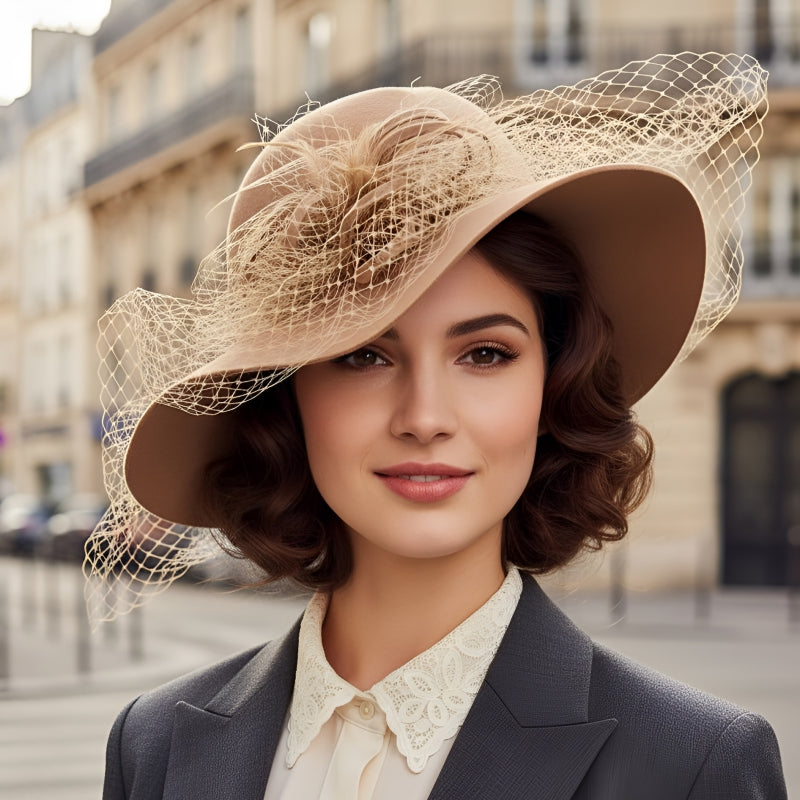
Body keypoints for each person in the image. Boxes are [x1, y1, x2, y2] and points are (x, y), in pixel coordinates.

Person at [86, 53, 786, 798]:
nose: (424, 418)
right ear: (285, 401)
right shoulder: (155, 746)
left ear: (552, 388)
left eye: (485, 353)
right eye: (363, 356)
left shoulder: (694, 766)